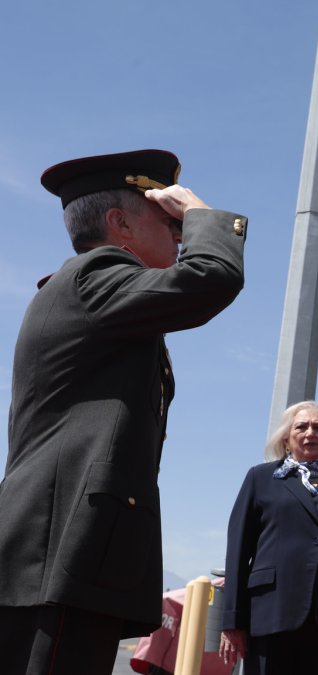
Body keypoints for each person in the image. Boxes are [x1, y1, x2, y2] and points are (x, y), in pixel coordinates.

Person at [0, 149, 246, 673]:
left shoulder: (98, 296)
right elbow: (211, 277)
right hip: (63, 545)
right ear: (120, 224)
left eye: (182, 224)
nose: (179, 235)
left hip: (67, 548)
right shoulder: (95, 276)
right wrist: (202, 216)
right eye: (169, 222)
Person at [219, 401, 318, 674]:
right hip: (270, 611)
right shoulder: (260, 478)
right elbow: (237, 550)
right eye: (301, 427)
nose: (310, 433)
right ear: (286, 438)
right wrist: (232, 620)